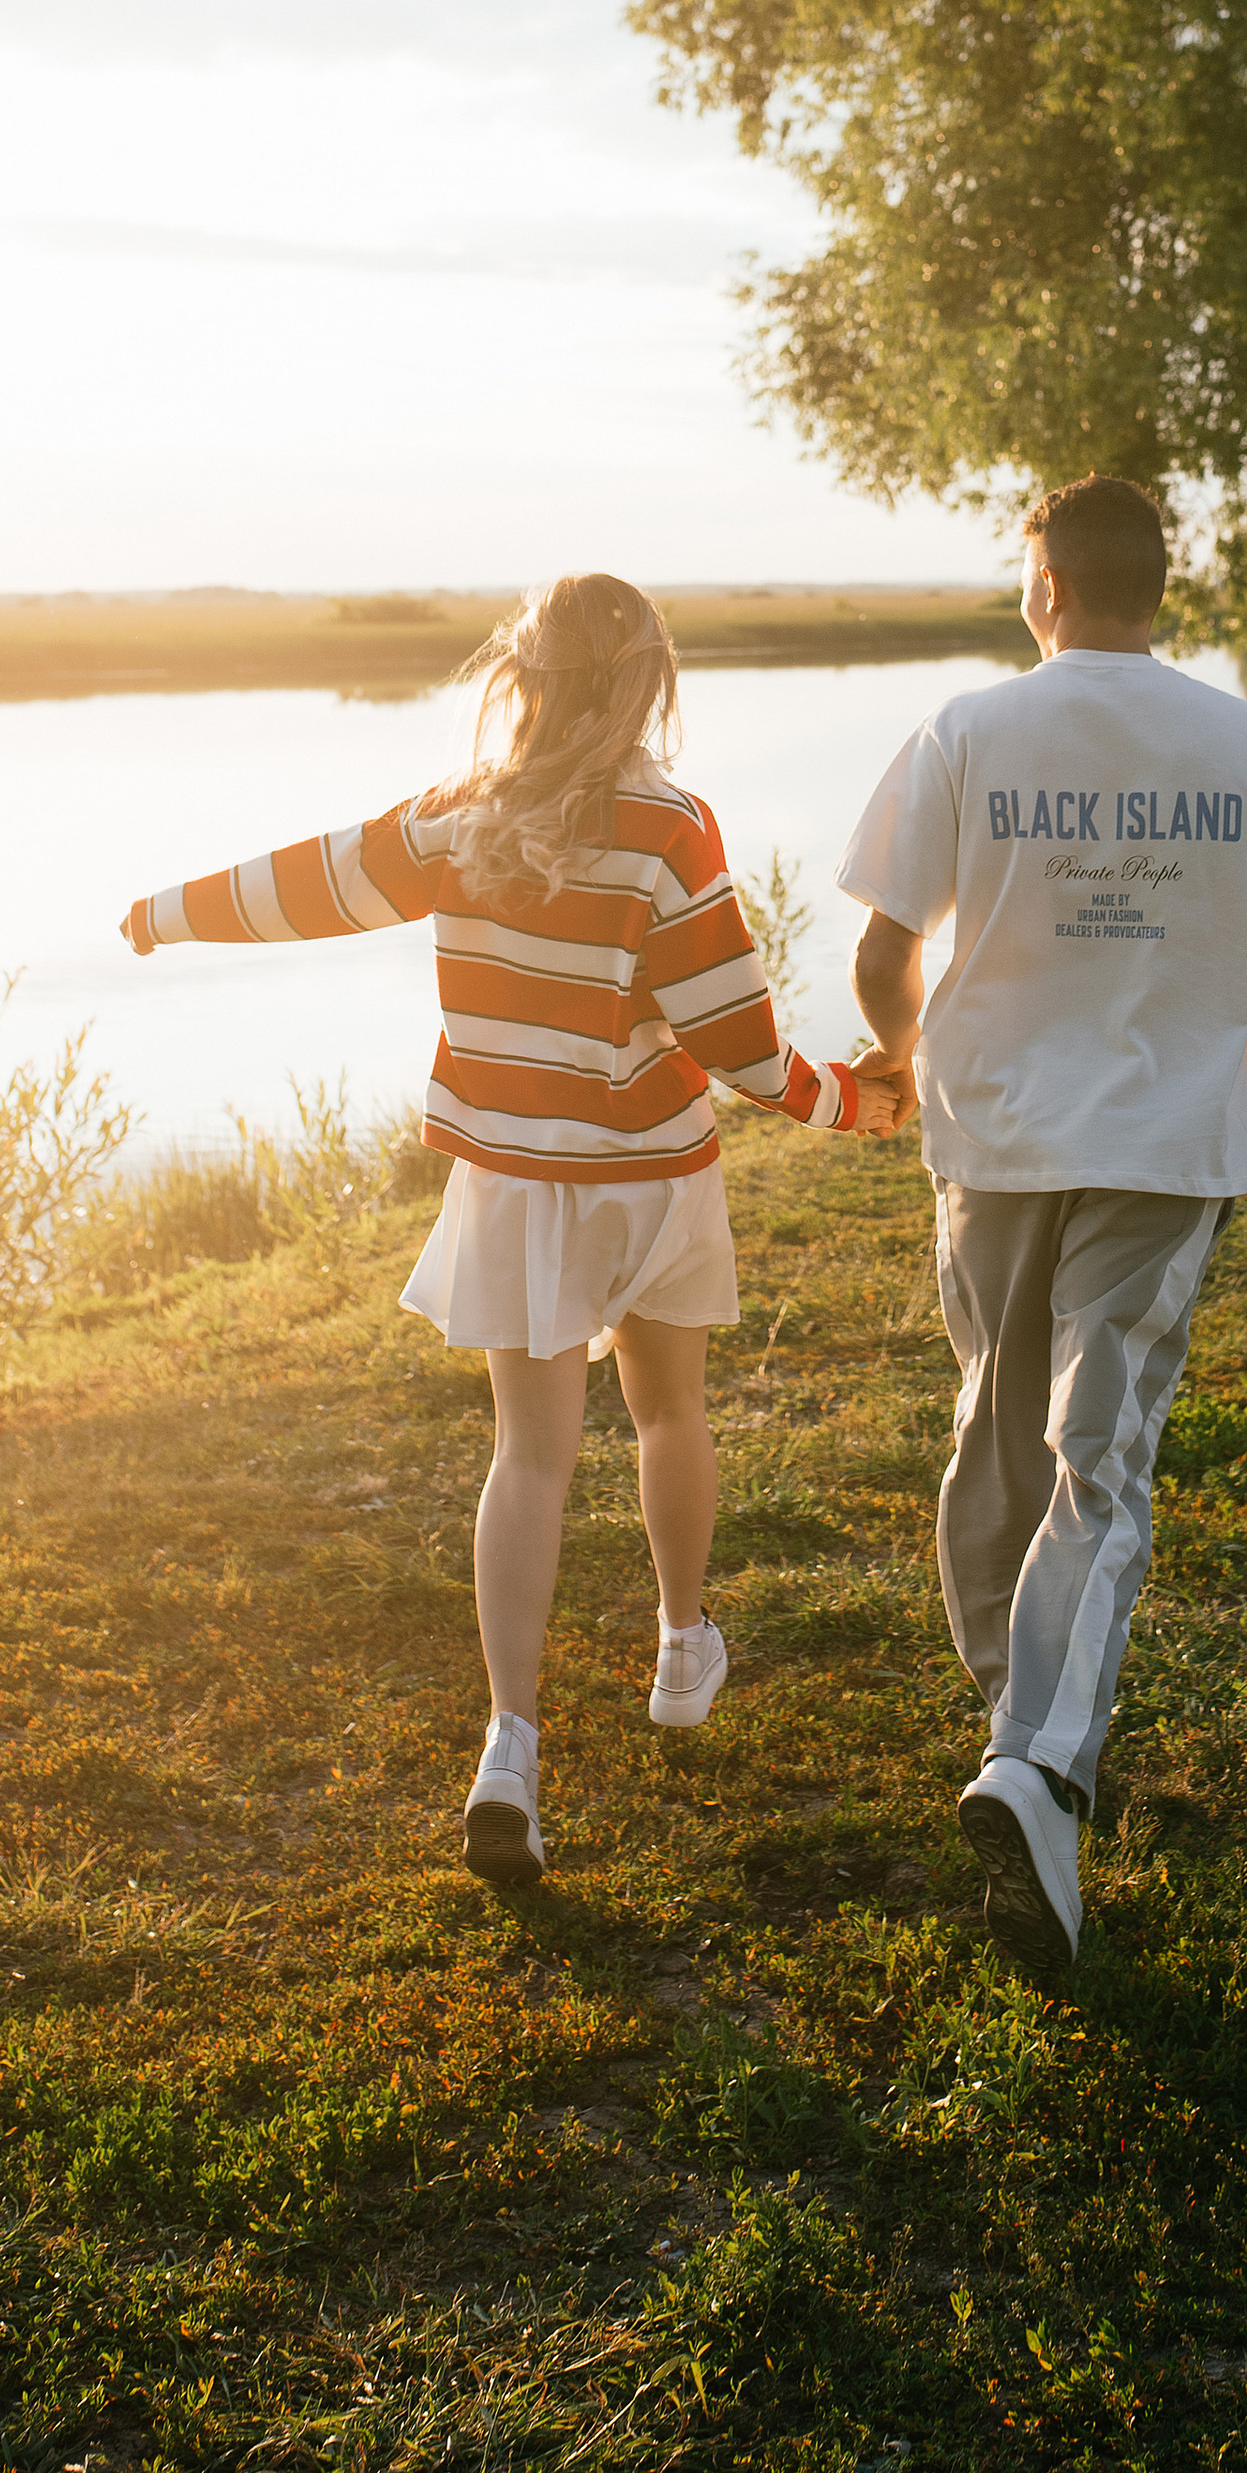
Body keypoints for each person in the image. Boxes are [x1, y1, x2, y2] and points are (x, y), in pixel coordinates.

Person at [119, 572, 899, 1891]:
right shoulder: (672, 829)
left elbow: (309, 885)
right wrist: (852, 1104)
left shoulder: (456, 822)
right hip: (650, 1177)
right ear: (649, 683)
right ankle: (679, 1644)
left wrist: (168, 912)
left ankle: (511, 1752)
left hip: (515, 1187)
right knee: (669, 1417)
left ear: (518, 679)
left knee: (529, 1458)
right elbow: (740, 1045)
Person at [839, 474, 1247, 1975]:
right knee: (1104, 1456)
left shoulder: (966, 733)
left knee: (1001, 1437)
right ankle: (1038, 1752)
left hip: (994, 1136)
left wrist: (902, 1050)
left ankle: (1022, 1732)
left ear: (1045, 587)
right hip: (1158, 1143)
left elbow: (882, 952)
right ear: (1160, 588)